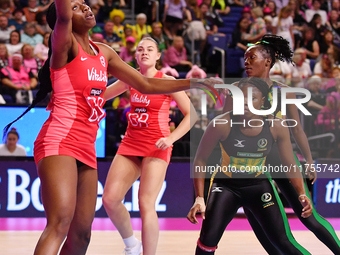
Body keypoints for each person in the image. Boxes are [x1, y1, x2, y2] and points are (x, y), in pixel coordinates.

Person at [3, 2, 215, 255]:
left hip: (86, 146)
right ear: (64, 17)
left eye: (85, 4)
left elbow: (146, 83)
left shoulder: (103, 52)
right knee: (59, 223)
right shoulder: (64, 43)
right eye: (76, 7)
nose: (85, 7)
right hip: (59, 139)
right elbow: (62, 14)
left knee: (82, 235)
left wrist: (195, 82)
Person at [223, 34, 340, 254]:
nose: (245, 62)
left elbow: (297, 129)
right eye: (245, 58)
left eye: (251, 57)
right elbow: (223, 128)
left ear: (268, 61)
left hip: (281, 160)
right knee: (267, 233)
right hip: (251, 165)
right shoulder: (237, 90)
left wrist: (309, 161)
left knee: (309, 217)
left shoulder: (282, 91)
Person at [187, 77, 313, 255]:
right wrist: (199, 197)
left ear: (263, 102)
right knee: (207, 241)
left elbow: (290, 164)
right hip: (226, 187)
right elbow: (200, 160)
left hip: (258, 186)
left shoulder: (276, 126)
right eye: (241, 98)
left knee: (282, 241)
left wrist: (301, 192)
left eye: (252, 98)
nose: (245, 103)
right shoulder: (221, 124)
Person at [102, 37, 197, 255]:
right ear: (135, 56)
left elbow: (192, 115)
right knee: (110, 199)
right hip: (131, 143)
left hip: (157, 145)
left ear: (157, 56)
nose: (144, 52)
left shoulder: (166, 80)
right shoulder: (130, 78)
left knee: (145, 203)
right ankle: (132, 245)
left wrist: (171, 139)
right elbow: (102, 96)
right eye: (140, 49)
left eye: (150, 49)